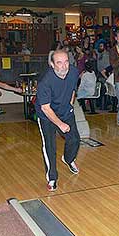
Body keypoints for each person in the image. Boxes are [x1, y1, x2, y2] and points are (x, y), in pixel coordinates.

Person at [35, 49, 81, 192]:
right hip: (46, 115)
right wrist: (60, 124)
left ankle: (68, 159)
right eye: (59, 63)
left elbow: (73, 89)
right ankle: (52, 177)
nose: (64, 66)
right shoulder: (45, 81)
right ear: (52, 64)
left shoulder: (73, 72)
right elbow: (45, 108)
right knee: (50, 146)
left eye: (66, 62)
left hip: (65, 111)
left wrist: (70, 105)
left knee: (75, 140)